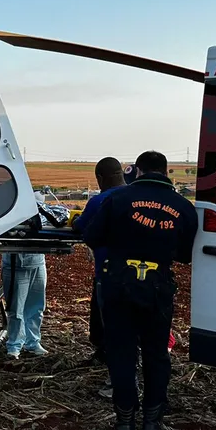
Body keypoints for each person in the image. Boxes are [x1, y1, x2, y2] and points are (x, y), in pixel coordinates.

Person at [82, 150, 197, 430]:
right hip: (158, 288)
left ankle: (124, 424)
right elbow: (185, 255)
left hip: (118, 284)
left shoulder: (116, 200)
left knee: (121, 353)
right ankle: (151, 426)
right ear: (166, 172)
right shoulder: (183, 207)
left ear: (140, 171)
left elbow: (92, 237)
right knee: (156, 355)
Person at [72, 157, 129, 367]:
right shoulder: (135, 196)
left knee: (105, 319)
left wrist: (74, 219)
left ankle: (109, 359)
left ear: (100, 178)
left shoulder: (100, 200)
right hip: (136, 273)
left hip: (107, 272)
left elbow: (80, 227)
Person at [2, 193, 48, 359]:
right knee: (16, 310)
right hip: (16, 264)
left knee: (36, 307)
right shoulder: (10, 211)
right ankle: (14, 345)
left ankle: (32, 342)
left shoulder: (40, 212)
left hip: (37, 262)